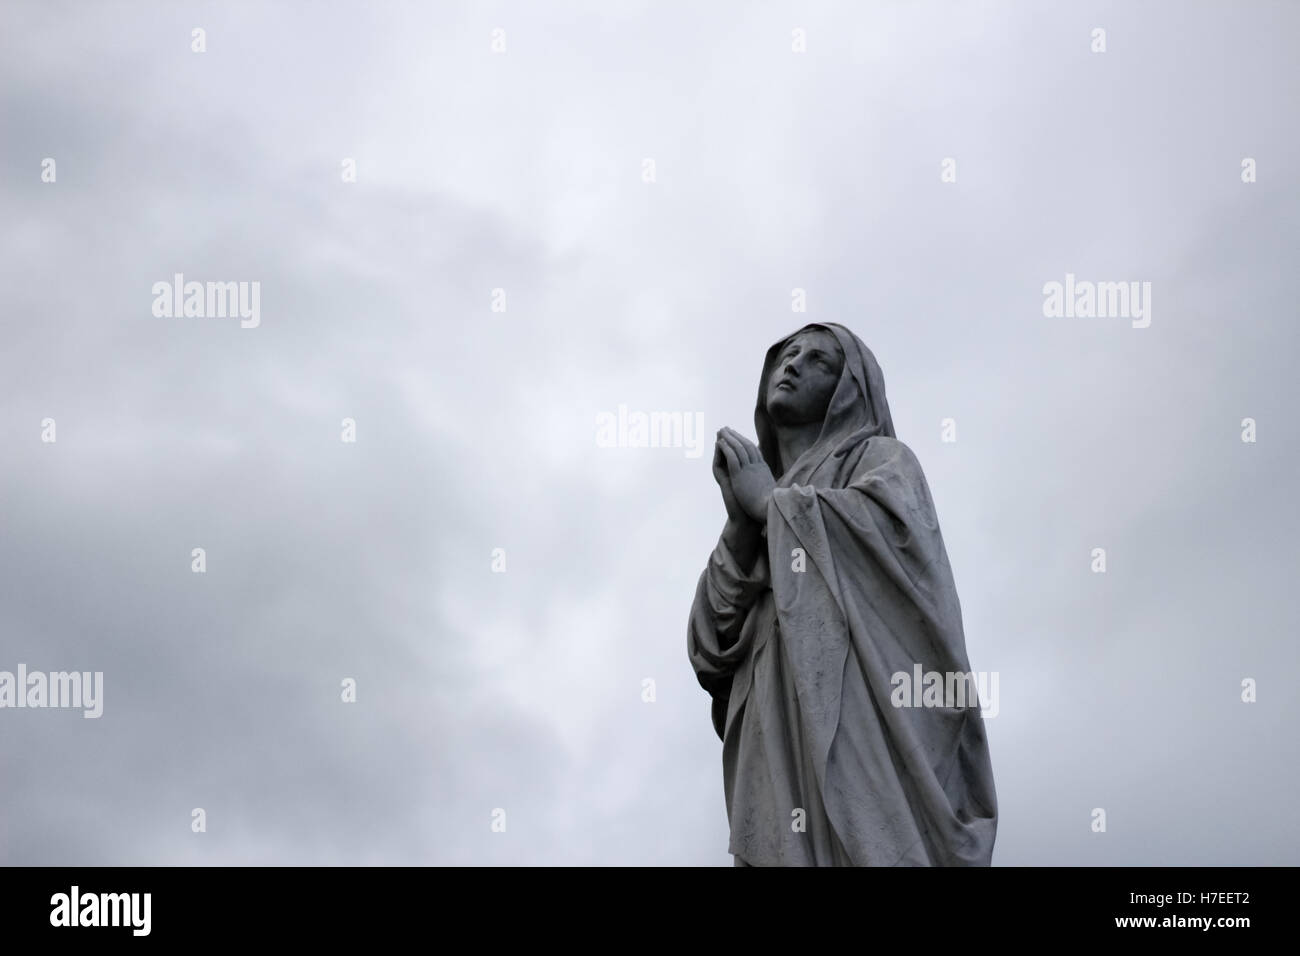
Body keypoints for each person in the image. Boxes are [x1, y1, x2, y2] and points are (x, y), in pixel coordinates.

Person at [687, 323, 997, 866]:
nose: (794, 363)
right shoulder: (760, 509)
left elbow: (902, 556)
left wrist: (773, 507)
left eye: (819, 361)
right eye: (789, 354)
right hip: (774, 728)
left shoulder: (879, 460)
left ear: (848, 390)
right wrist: (741, 527)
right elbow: (711, 646)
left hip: (858, 721)